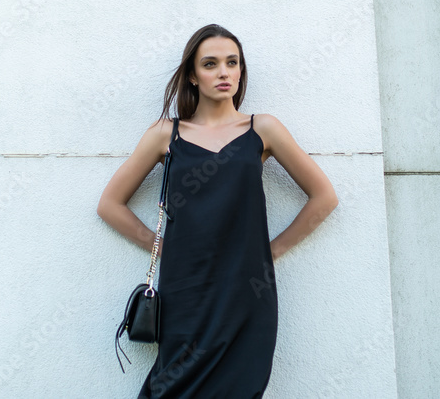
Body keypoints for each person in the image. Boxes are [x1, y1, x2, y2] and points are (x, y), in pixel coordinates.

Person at [97, 23, 339, 397]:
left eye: (232, 62)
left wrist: (270, 251)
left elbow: (324, 197)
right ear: (193, 75)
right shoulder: (167, 133)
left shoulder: (264, 129)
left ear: (241, 71)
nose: (224, 72)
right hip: (185, 290)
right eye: (210, 64)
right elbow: (110, 204)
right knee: (171, 386)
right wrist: (159, 245)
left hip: (248, 294)